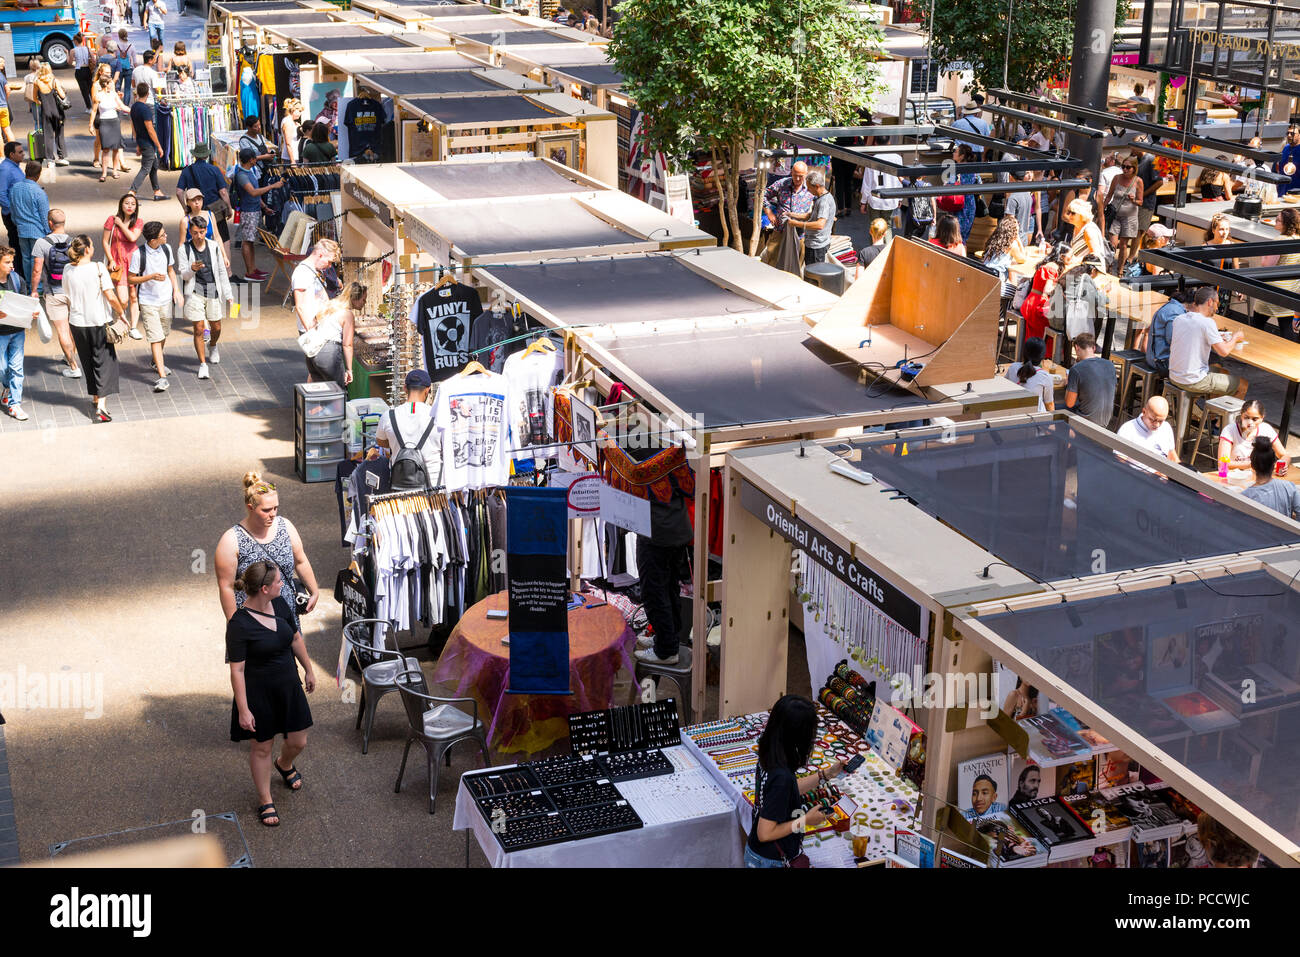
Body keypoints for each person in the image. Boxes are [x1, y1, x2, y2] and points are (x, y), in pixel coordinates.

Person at [226, 559, 315, 829]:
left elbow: (295, 638)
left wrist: (309, 669)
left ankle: (284, 763)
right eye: (278, 581)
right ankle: (265, 799)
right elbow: (237, 671)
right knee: (261, 746)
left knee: (299, 741)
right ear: (264, 588)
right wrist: (243, 709)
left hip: (289, 686)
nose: (283, 583)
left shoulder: (279, 604)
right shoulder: (239, 624)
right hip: (259, 694)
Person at [215, 471, 321, 635]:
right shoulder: (231, 541)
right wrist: (235, 627)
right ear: (251, 508)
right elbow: (226, 587)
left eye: (275, 508)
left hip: (286, 618)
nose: (273, 514)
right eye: (266, 510)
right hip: (252, 624)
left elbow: (300, 561)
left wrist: (314, 591)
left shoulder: (285, 527)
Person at [746, 694, 845, 867]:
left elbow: (786, 791)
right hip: (771, 860)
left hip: (761, 853)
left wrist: (826, 774)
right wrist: (805, 820)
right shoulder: (781, 776)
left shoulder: (770, 752)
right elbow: (765, 833)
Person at [64, 235, 128, 423]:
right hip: (98, 322)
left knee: (87, 361)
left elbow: (67, 295)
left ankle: (94, 397)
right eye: (92, 244)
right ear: (87, 250)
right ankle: (101, 406)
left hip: (76, 322)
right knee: (104, 362)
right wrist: (121, 313)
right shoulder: (98, 268)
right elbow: (110, 295)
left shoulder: (68, 269)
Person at [176, 212, 234, 380]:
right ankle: (202, 364)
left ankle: (213, 345)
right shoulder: (184, 249)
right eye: (195, 232)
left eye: (201, 232)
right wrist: (192, 269)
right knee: (199, 329)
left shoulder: (214, 246)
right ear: (190, 232)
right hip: (194, 293)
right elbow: (184, 277)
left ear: (205, 230)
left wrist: (229, 294)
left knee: (216, 327)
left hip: (213, 291)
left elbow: (222, 271)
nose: (198, 236)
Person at [128, 221, 182, 390]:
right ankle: (162, 377)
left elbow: (171, 270)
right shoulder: (139, 254)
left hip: (165, 299)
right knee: (155, 338)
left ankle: (154, 361)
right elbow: (131, 278)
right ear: (152, 240)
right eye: (162, 235)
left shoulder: (166, 249)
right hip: (148, 301)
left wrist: (176, 291)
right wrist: (149, 277)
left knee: (164, 333)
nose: (166, 236)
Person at [1169, 285, 1249, 399]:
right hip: (1192, 380)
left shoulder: (1179, 318)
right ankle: (1216, 415)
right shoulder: (1207, 323)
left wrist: (1216, 336)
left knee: (1223, 371)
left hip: (1174, 375)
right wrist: (1235, 337)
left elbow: (1194, 336)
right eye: (1217, 303)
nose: (1217, 308)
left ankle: (1211, 413)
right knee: (1243, 385)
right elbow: (1224, 352)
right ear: (1210, 302)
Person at [29, 208, 79, 380]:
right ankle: (70, 356)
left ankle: (74, 366)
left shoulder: (41, 243)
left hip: (53, 292)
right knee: (72, 327)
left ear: (49, 223)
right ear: (64, 222)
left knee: (63, 329)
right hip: (73, 291)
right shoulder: (74, 242)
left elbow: (37, 270)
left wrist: (34, 290)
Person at [374, 368, 441, 483]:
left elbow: (381, 442)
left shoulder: (388, 416)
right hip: (435, 486)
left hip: (401, 485)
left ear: (405, 388)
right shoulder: (438, 416)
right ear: (427, 390)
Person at [231, 146, 284, 282]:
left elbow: (255, 192)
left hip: (254, 209)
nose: (256, 160)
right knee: (247, 242)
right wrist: (272, 186)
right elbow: (253, 192)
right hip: (248, 212)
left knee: (250, 241)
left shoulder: (250, 171)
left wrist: (264, 206)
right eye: (255, 158)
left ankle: (253, 269)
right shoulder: (242, 175)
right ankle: (249, 272)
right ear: (251, 160)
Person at [0, 245, 39, 420]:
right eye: (7, 262)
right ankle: (7, 386)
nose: (11, 265)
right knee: (2, 367)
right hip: (0, 334)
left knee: (17, 368)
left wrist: (32, 312)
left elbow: (25, 303)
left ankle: (14, 404)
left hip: (17, 332)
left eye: (12, 261)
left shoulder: (17, 280)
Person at [1250, 206, 1300, 342]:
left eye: (1278, 220)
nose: (1275, 222)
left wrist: (1263, 254)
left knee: (1257, 324)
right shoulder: (1297, 240)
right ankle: (1288, 356)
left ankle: (1254, 350)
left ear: (1286, 224)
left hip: (1271, 291)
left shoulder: (1280, 240)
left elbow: (1267, 265)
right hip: (1290, 290)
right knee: (1286, 328)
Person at [175, 144, 233, 261]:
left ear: (195, 155)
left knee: (197, 238)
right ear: (206, 155)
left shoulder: (187, 171)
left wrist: (185, 207)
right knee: (223, 239)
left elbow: (179, 192)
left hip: (195, 211)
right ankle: (228, 272)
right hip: (215, 211)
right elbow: (223, 192)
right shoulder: (214, 169)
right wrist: (229, 207)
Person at [302, 282, 360, 388]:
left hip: (312, 351)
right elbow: (347, 345)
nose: (365, 302)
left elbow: (312, 324)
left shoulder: (330, 305)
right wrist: (349, 369)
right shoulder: (348, 314)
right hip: (328, 353)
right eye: (363, 299)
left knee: (319, 390)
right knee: (338, 391)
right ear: (355, 299)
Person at [102, 192, 142, 336]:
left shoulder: (138, 222)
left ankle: (133, 327)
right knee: (123, 298)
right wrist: (111, 259)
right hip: (118, 262)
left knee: (133, 296)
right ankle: (121, 317)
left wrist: (121, 224)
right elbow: (105, 242)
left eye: (133, 204)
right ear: (121, 204)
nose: (130, 206)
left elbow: (132, 237)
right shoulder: (111, 220)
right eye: (127, 203)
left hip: (133, 261)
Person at [1218, 399, 1288, 477]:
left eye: (1255, 419)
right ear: (1241, 415)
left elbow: (1284, 455)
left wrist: (1284, 465)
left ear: (1262, 418)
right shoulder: (1230, 431)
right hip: (1234, 477)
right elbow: (1222, 463)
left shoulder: (1266, 429)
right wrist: (1253, 464)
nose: (1250, 423)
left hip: (1258, 477)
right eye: (1246, 418)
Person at [7, 161, 47, 290]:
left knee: (25, 258)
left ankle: (29, 285)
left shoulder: (15, 188)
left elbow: (12, 209)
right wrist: (48, 232)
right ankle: (38, 287)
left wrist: (16, 222)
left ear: (26, 172)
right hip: (37, 231)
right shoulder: (39, 192)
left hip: (21, 229)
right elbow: (44, 215)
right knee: (37, 260)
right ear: (38, 175)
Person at [1064, 332, 1117, 426]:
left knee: (1054, 409)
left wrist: (1069, 384)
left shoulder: (1076, 370)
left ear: (1076, 348)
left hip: (1086, 421)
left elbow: (1069, 403)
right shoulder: (1110, 365)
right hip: (1105, 421)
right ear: (1094, 348)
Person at [1240, 436, 1300, 518]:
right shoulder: (1289, 486)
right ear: (1273, 464)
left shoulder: (1245, 496)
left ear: (1252, 466)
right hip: (1284, 530)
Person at [786, 169, 835, 264]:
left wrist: (797, 224)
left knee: (813, 276)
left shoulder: (824, 202)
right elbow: (811, 215)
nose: (807, 190)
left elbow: (820, 224)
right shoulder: (821, 198)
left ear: (816, 186)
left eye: (809, 188)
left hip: (816, 247)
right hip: (814, 244)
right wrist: (792, 214)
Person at [1104, 156, 1143, 274]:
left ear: (1134, 168)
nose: (1125, 169)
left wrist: (1133, 200)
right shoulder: (1117, 178)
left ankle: (1120, 271)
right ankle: (1108, 268)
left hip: (1129, 217)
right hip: (1115, 214)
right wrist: (1102, 208)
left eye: (1128, 167)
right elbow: (1109, 195)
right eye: (1123, 167)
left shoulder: (1138, 181)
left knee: (1124, 245)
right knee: (1112, 244)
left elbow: (1140, 202)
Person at [91, 65, 130, 182]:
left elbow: (122, 106)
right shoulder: (98, 96)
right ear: (106, 84)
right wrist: (90, 125)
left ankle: (115, 170)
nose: (112, 84)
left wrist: (134, 109)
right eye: (110, 83)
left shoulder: (114, 95)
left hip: (114, 122)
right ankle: (104, 173)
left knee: (116, 149)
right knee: (106, 149)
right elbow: (93, 111)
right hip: (104, 123)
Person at [291, 239, 337, 335]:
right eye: (329, 262)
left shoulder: (315, 270)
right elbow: (300, 306)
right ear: (320, 255)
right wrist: (312, 333)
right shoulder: (302, 272)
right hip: (313, 329)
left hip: (322, 326)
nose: (329, 266)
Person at [1143, 285, 1192, 376]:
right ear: (1192, 304)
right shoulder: (1176, 312)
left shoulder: (1171, 306)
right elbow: (1173, 340)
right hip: (1161, 362)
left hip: (1154, 356)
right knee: (1205, 362)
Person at [1117, 395, 1180, 465]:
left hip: (1162, 472)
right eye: (1152, 420)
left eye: (1161, 421)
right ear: (1144, 412)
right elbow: (1120, 462)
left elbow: (1171, 455)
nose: (1157, 425)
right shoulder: (1127, 430)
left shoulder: (1166, 427)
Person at [129, 82, 165, 200]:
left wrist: (138, 143)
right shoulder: (145, 109)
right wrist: (159, 146)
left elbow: (133, 126)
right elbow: (150, 130)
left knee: (154, 166)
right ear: (148, 93)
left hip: (141, 141)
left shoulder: (134, 107)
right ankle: (132, 192)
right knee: (145, 168)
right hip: (148, 143)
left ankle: (157, 191)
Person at [33, 63, 69, 167]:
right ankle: (61, 157)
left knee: (48, 136)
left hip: (46, 113)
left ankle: (49, 160)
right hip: (57, 112)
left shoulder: (37, 82)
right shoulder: (54, 81)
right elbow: (62, 95)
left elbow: (34, 98)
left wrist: (42, 103)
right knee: (59, 134)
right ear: (50, 70)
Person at [1006, 336, 1055, 411]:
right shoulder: (1045, 376)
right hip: (1036, 419)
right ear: (1042, 357)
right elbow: (1049, 404)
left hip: (1013, 414)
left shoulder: (1013, 367)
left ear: (1024, 352)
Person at [762, 160, 812, 231]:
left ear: (806, 174)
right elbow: (763, 195)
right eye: (795, 175)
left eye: (800, 176)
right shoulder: (782, 184)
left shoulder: (810, 187)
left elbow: (820, 201)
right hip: (781, 230)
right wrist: (769, 212)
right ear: (791, 172)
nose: (797, 179)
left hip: (800, 233)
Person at [1062, 197, 1107, 270]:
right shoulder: (1077, 226)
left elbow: (1096, 255)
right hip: (1078, 268)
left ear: (1082, 214)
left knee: (1065, 279)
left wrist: (1076, 260)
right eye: (1068, 212)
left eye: (1073, 213)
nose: (1069, 215)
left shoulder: (1089, 230)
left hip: (1089, 273)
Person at [859, 153, 901, 230]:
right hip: (890, 199)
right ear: (889, 142)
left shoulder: (871, 160)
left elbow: (867, 183)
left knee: (874, 226)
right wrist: (899, 198)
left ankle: (876, 241)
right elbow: (899, 180)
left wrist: (863, 202)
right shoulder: (897, 158)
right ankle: (887, 242)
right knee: (887, 226)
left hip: (875, 199)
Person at [0, 142, 23, 277]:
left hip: (17, 213)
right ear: (11, 154)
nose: (23, 154)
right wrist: (11, 211)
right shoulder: (5, 169)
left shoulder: (14, 166)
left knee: (20, 245)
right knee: (16, 245)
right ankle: (17, 275)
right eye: (20, 152)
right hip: (12, 215)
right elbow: (1, 193)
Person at [952, 144, 980, 243]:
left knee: (956, 236)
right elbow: (979, 182)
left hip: (959, 204)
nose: (953, 153)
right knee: (963, 238)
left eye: (956, 151)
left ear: (962, 156)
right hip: (970, 203)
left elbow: (951, 185)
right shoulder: (974, 169)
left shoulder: (956, 169)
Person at [238, 115, 276, 182]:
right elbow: (248, 158)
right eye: (256, 126)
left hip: (266, 169)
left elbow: (265, 148)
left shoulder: (260, 136)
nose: (259, 127)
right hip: (255, 172)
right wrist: (265, 157)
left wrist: (270, 152)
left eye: (259, 125)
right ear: (249, 128)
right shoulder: (244, 140)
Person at [73, 32, 94, 109]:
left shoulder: (73, 50)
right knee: (91, 88)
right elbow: (93, 58)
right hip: (88, 69)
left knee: (84, 90)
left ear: (75, 41)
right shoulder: (87, 48)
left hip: (79, 70)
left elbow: (69, 61)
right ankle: (95, 105)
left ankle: (89, 107)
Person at [280, 98, 304, 162]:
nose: (300, 113)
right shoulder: (288, 122)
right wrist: (292, 161)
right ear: (293, 110)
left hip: (294, 157)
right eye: (299, 111)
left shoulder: (291, 121)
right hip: (291, 158)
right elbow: (288, 144)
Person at [115, 28, 135, 103]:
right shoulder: (131, 46)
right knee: (127, 89)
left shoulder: (116, 46)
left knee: (118, 88)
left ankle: (118, 106)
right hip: (129, 68)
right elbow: (135, 59)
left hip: (119, 68)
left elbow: (114, 57)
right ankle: (125, 108)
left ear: (119, 36)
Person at [1278, 126, 1300, 194]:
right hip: (1282, 189)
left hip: (1296, 191)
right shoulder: (1286, 148)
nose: (1289, 135)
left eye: (1292, 134)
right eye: (1288, 133)